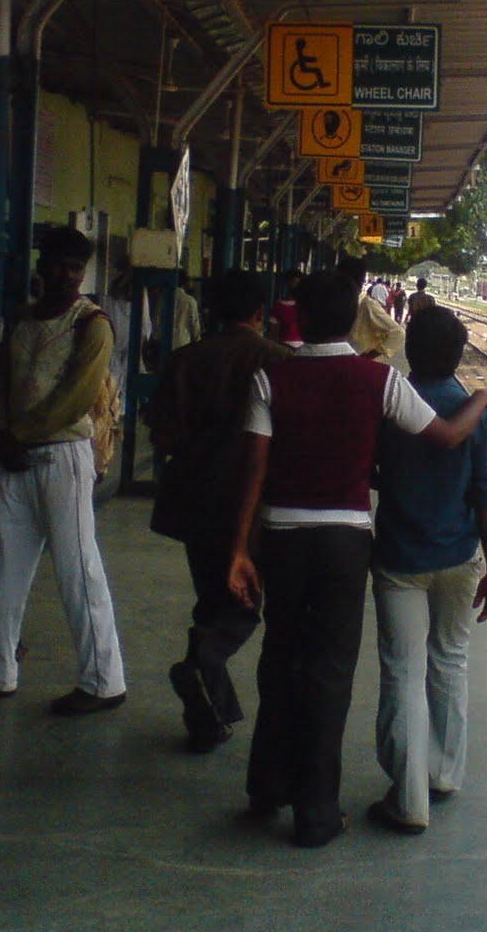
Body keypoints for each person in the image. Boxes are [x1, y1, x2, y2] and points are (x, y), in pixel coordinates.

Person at [226, 270, 487, 848]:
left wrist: (239, 549)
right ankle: (317, 810)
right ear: (354, 319)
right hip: (345, 541)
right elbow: (450, 439)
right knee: (330, 672)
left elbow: (253, 468)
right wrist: (481, 398)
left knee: (280, 660)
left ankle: (269, 784)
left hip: (282, 535)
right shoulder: (377, 381)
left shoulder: (268, 377)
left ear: (297, 316)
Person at [0, 227, 127, 715]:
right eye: (57, 265)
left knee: (78, 570)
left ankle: (103, 680)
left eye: (75, 268)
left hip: (64, 459)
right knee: (0, 565)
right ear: (41, 266)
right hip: (13, 458)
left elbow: (76, 394)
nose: (65, 275)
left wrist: (17, 434)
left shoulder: (92, 324)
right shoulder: (23, 321)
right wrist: (2, 430)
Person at [367, 306, 487, 834]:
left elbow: (372, 470)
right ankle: (443, 775)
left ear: (410, 350)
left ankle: (407, 801)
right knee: (449, 660)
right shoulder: (475, 412)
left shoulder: (390, 403)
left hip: (400, 558)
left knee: (402, 670)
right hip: (459, 557)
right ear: (459, 355)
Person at [147, 270, 291, 752]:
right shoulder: (277, 362)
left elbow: (161, 435)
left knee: (212, 597)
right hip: (250, 504)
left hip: (193, 499)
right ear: (260, 313)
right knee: (243, 607)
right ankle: (202, 665)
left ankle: (209, 718)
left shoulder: (184, 359)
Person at [341, 257, 403, 363]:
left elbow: (398, 333)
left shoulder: (367, 305)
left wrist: (366, 358)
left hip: (359, 364)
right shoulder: (341, 303)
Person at [270, 268, 304, 349]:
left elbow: (273, 331)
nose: (294, 286)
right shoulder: (306, 305)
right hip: (302, 346)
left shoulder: (279, 305)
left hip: (283, 346)